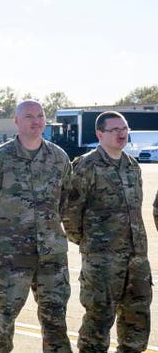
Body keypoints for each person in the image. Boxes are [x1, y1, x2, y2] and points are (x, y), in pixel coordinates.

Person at [0, 99, 71, 352]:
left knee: (55, 319)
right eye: (28, 116)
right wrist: (2, 232)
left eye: (40, 116)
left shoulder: (58, 158)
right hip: (11, 254)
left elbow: (67, 200)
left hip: (51, 254)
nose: (36, 121)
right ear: (16, 121)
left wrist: (51, 230)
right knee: (4, 318)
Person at [61, 111, 151, 352]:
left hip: (136, 258)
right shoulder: (86, 165)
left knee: (137, 318)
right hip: (102, 260)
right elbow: (70, 212)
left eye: (124, 128)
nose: (122, 133)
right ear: (100, 134)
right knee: (98, 320)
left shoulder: (132, 166)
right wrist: (91, 243)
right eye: (114, 130)